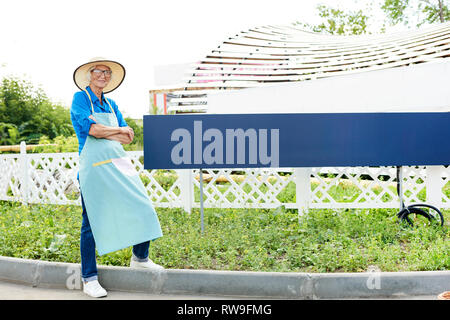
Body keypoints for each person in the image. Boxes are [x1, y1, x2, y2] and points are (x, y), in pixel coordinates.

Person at [71, 57, 163, 298]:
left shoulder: (111, 104)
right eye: (99, 71)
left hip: (119, 162)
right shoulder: (80, 99)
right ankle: (88, 278)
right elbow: (91, 130)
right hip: (93, 166)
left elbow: (128, 138)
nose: (103, 75)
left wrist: (114, 131)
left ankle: (140, 257)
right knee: (90, 222)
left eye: (107, 73)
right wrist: (118, 130)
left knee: (143, 205)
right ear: (89, 75)